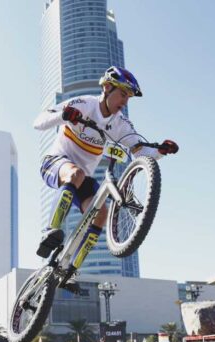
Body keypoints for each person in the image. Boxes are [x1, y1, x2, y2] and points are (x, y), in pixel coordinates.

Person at [34, 66, 178, 291]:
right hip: (56, 162)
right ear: (107, 87)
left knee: (102, 214)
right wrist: (64, 115)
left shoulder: (120, 125)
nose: (125, 102)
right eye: (123, 94)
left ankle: (70, 269)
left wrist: (161, 151)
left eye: (129, 98)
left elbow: (140, 151)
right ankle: (50, 231)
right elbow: (39, 121)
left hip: (83, 179)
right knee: (76, 173)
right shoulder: (84, 104)